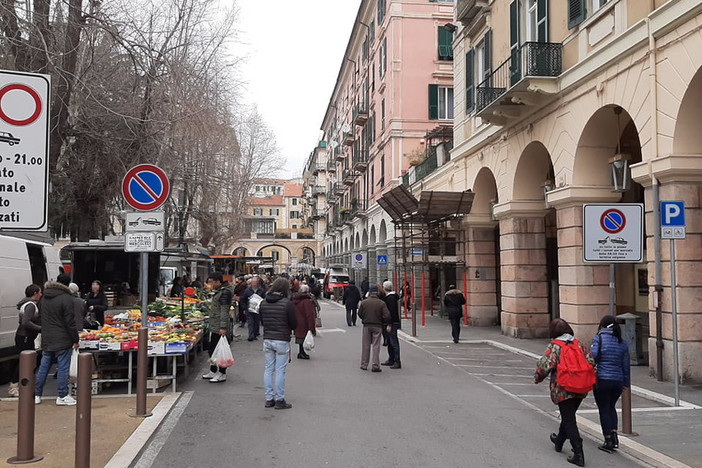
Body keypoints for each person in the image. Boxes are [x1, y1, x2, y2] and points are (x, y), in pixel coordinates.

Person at [534, 318, 595, 467]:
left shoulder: (555, 346)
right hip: (581, 387)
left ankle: (578, 452)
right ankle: (559, 441)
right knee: (568, 416)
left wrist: (538, 377)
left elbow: (545, 365)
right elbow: (591, 362)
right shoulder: (578, 344)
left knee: (569, 419)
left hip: (563, 388)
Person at [35, 273, 79, 406]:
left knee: (44, 366)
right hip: (63, 337)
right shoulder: (66, 298)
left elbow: (40, 317)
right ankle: (62, 395)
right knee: (63, 367)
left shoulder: (44, 297)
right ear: (68, 284)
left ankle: (37, 394)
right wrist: (75, 339)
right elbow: (70, 322)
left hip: (47, 337)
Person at [591, 315, 630, 453]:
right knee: (611, 407)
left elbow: (594, 356)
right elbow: (626, 365)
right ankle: (614, 437)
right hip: (618, 381)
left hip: (602, 379)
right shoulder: (622, 342)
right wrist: (626, 383)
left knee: (604, 409)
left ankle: (607, 439)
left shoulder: (599, 338)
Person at [259, 277, 298, 409]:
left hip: (268, 338)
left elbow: (262, 321)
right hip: (281, 339)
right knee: (280, 370)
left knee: (268, 369)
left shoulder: (263, 302)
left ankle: (269, 398)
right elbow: (294, 323)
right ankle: (279, 399)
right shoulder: (287, 303)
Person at [8, 284, 42, 397]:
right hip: (25, 336)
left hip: (23, 336)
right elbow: (26, 322)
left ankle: (23, 384)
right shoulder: (31, 305)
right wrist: (41, 329)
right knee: (25, 361)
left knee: (26, 361)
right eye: (40, 292)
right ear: (35, 294)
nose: (41, 295)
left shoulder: (26, 304)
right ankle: (14, 385)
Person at [202, 272, 232, 383]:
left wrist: (223, 327)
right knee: (212, 350)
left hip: (219, 326)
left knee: (219, 350)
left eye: (211, 282)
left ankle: (222, 373)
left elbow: (224, 311)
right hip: (215, 324)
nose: (210, 284)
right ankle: (213, 370)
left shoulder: (225, 293)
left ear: (217, 281)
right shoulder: (219, 292)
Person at [358, 284, 391, 373]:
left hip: (367, 325)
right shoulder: (381, 303)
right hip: (377, 325)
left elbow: (360, 313)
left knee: (366, 345)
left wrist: (365, 318)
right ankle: (375, 365)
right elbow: (387, 315)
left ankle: (364, 364)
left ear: (369, 292)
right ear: (377, 292)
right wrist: (383, 320)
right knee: (376, 346)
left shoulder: (364, 302)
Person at [292, 284, 316, 360]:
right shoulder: (307, 301)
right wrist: (311, 327)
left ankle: (301, 352)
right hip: (304, 322)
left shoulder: (295, 300)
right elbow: (309, 314)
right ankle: (302, 352)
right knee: (304, 336)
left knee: (300, 337)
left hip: (297, 321)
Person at [381, 281, 401, 369]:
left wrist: (389, 324)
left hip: (392, 323)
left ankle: (396, 360)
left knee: (393, 342)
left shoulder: (390, 299)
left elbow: (391, 312)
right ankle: (391, 359)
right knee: (389, 342)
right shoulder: (391, 297)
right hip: (391, 322)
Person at [241, 276, 266, 341]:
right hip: (249, 309)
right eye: (252, 282)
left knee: (256, 322)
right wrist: (244, 308)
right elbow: (243, 299)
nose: (254, 283)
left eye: (255, 282)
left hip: (257, 309)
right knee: (250, 322)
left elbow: (264, 299)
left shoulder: (261, 290)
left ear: (257, 283)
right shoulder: (247, 290)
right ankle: (251, 336)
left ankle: (255, 334)